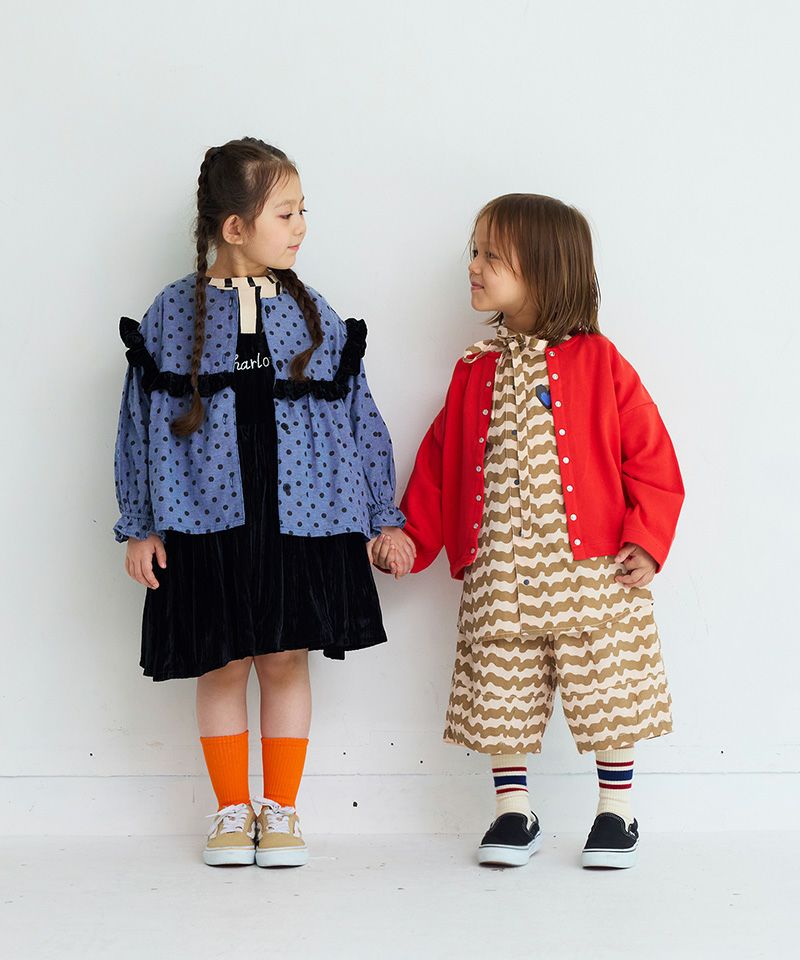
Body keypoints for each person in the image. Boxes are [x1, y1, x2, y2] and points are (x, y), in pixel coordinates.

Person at [114, 137, 415, 867]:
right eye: (286, 213)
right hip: (204, 512)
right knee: (221, 663)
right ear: (235, 227)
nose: (301, 226)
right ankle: (230, 809)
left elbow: (358, 415)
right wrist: (140, 524)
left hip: (301, 511)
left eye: (303, 210)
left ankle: (280, 808)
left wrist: (384, 516)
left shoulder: (315, 314)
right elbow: (138, 422)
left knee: (284, 658)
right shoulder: (171, 314)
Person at [379, 193, 684, 869]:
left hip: (595, 570)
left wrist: (647, 537)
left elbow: (652, 458)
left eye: (491, 255)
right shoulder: (475, 370)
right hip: (501, 569)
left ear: (545, 270)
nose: (473, 266)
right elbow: (440, 462)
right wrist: (411, 536)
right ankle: (513, 811)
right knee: (502, 688)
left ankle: (617, 812)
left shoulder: (601, 362)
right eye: (474, 251)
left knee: (607, 686)